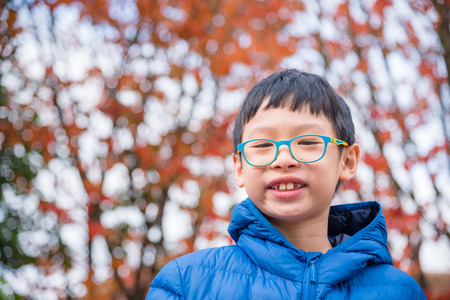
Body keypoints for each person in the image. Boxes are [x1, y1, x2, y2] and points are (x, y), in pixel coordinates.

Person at [146, 69, 427, 299]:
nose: (283, 159)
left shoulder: (400, 291)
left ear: (348, 161)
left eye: (307, 142)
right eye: (263, 144)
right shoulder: (187, 283)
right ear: (239, 167)